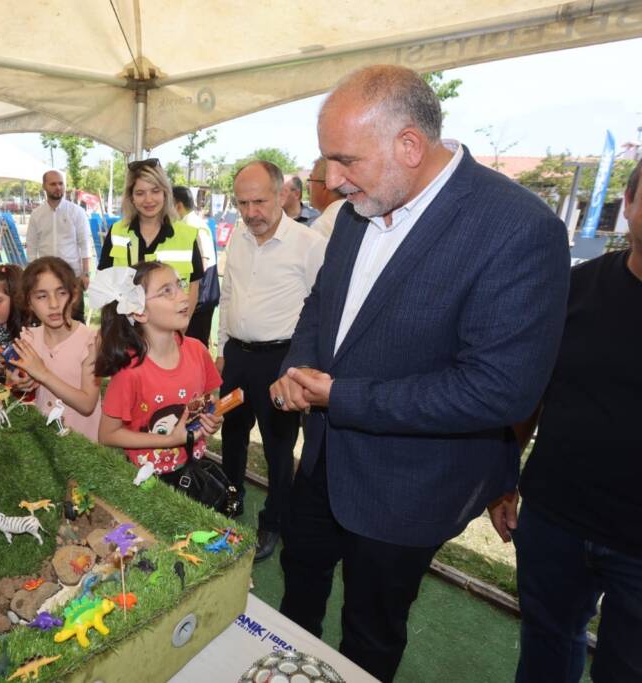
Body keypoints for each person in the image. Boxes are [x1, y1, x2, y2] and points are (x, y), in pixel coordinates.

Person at [268, 65, 569, 682]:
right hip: (323, 462)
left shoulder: (518, 228)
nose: (329, 179)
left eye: (344, 159)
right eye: (326, 161)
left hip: (406, 489)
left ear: (409, 145)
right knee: (298, 590)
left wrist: (342, 397)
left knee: (370, 633)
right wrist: (296, 366)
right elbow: (322, 307)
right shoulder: (356, 212)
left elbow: (500, 389)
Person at [487, 159, 642, 683]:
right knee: (547, 644)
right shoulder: (575, 287)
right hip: (556, 518)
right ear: (630, 205)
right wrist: (504, 480)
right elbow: (531, 390)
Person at [218, 160, 327, 562]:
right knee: (231, 437)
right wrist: (222, 346)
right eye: (243, 203)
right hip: (237, 357)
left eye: (259, 202)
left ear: (281, 194)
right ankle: (229, 504)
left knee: (279, 450)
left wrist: (304, 368)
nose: (251, 213)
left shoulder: (309, 244)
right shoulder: (238, 238)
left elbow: (323, 312)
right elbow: (228, 294)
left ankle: (273, 521)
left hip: (282, 362)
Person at [94, 263, 223, 479]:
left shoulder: (197, 351)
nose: (183, 297)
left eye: (179, 285)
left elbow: (209, 405)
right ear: (140, 312)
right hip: (149, 480)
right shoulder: (130, 371)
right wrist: (169, 440)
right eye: (166, 291)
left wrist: (213, 421)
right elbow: (107, 434)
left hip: (194, 466)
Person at [97, 160, 204, 328]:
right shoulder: (117, 232)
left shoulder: (187, 235)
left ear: (165, 193)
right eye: (140, 193)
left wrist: (178, 333)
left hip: (168, 336)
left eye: (155, 191)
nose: (148, 200)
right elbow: (105, 286)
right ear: (131, 197)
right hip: (124, 334)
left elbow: (193, 289)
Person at [7, 257, 102, 441]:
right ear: (29, 303)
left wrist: (43, 373)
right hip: (46, 441)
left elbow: (87, 404)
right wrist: (18, 381)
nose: (53, 304)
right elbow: (15, 378)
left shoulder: (90, 342)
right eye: (42, 296)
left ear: (74, 295)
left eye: (61, 293)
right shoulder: (28, 339)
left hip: (84, 446)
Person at [25, 171, 93, 321]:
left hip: (73, 277)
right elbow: (31, 247)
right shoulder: (36, 215)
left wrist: (86, 273)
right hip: (44, 278)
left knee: (75, 320)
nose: (58, 187)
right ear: (44, 186)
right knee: (47, 319)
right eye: (53, 184)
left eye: (61, 183)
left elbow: (85, 243)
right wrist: (31, 275)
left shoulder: (77, 212)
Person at [173, 185, 219, 347]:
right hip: (197, 297)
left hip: (201, 298)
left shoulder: (193, 225)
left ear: (177, 205)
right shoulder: (188, 223)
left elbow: (203, 264)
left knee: (196, 345)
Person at [306, 157, 347, 240]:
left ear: (326, 184)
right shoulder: (359, 216)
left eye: (310, 180)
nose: (307, 186)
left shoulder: (322, 226)